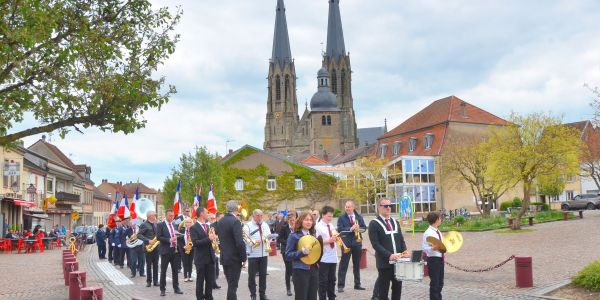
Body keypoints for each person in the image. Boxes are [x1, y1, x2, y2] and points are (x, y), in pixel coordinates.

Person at [368, 198, 409, 300]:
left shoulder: (395, 222)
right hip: (384, 263)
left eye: (390, 206)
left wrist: (404, 251)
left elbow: (401, 240)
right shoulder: (374, 223)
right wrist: (389, 255)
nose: (388, 208)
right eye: (386, 206)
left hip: (399, 262)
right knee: (383, 292)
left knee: (397, 289)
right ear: (379, 208)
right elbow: (375, 244)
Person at [286, 211, 321, 300]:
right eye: (306, 220)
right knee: (301, 297)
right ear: (301, 221)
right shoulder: (293, 236)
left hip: (313, 270)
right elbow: (288, 255)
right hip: (300, 271)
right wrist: (301, 252)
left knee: (313, 297)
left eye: (310, 220)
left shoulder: (313, 235)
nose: (309, 222)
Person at [216, 200, 247, 300]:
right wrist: (244, 258)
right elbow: (239, 242)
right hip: (234, 258)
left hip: (225, 257)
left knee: (230, 284)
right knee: (233, 286)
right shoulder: (235, 221)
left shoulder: (220, 221)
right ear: (237, 209)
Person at [337, 200, 367, 292]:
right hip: (346, 244)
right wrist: (351, 228)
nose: (347, 208)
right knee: (343, 265)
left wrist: (359, 228)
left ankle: (357, 284)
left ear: (353, 207)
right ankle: (341, 286)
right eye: (346, 207)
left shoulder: (359, 217)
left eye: (349, 207)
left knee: (356, 265)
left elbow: (364, 228)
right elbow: (339, 229)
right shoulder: (341, 218)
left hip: (357, 244)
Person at [244, 209, 272, 300]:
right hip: (253, 255)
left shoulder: (265, 225)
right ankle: (253, 295)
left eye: (261, 216)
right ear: (253, 216)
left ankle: (262, 294)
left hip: (264, 254)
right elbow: (245, 238)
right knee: (252, 276)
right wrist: (254, 242)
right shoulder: (247, 225)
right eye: (258, 216)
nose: (260, 218)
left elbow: (269, 236)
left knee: (263, 275)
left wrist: (267, 240)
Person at [191, 206, 217, 300]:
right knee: (200, 281)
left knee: (210, 281)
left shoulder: (208, 226)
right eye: (206, 212)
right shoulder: (194, 227)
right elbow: (196, 243)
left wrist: (214, 239)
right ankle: (200, 298)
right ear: (201, 214)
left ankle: (209, 297)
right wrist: (208, 238)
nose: (208, 214)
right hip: (201, 259)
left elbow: (211, 241)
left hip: (210, 257)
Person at [157, 209, 184, 296]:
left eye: (173, 216)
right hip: (165, 251)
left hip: (174, 250)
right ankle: (162, 289)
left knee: (175, 271)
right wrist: (169, 240)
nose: (172, 217)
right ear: (166, 215)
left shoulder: (174, 224)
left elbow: (174, 233)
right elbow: (158, 237)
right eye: (170, 216)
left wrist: (178, 235)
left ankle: (176, 288)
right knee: (163, 271)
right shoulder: (161, 224)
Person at [316, 206, 338, 300]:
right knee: (323, 281)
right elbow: (317, 241)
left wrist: (337, 237)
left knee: (332, 280)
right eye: (329, 216)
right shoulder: (318, 226)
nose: (330, 218)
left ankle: (332, 297)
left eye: (331, 216)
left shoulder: (331, 225)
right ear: (323, 215)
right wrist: (330, 240)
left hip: (333, 256)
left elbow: (334, 236)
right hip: (323, 258)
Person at [422, 212, 444, 300]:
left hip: (440, 259)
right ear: (436, 220)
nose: (441, 220)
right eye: (440, 218)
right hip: (433, 260)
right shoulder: (428, 233)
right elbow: (424, 248)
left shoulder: (437, 231)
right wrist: (432, 249)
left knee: (440, 283)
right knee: (435, 284)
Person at [138, 210, 160, 287]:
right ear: (150, 216)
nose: (155, 216)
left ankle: (156, 281)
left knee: (156, 265)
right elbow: (139, 235)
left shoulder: (156, 224)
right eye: (154, 215)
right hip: (148, 247)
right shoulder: (144, 224)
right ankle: (149, 281)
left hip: (156, 247)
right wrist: (148, 240)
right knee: (149, 265)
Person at [278, 211, 296, 296]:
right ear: (288, 220)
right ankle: (288, 289)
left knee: (295, 269)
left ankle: (297, 286)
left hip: (295, 251)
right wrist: (288, 242)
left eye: (294, 220)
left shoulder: (297, 228)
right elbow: (279, 239)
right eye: (291, 220)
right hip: (286, 250)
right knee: (289, 269)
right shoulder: (284, 227)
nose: (293, 222)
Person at [178, 217, 194, 282]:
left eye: (190, 222)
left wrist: (192, 245)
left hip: (191, 248)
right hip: (183, 248)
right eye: (187, 222)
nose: (189, 224)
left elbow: (195, 239)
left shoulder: (193, 230)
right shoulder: (181, 230)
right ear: (185, 223)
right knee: (185, 262)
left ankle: (190, 276)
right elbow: (179, 240)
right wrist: (183, 246)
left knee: (190, 262)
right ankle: (185, 276)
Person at [208, 213, 221, 289]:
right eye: (211, 218)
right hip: (209, 247)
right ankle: (211, 283)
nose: (212, 219)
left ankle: (214, 282)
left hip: (215, 246)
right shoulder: (208, 225)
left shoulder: (214, 225)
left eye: (213, 218)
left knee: (214, 264)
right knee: (211, 266)